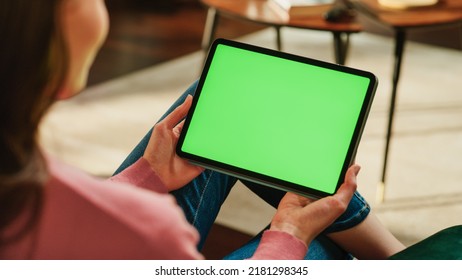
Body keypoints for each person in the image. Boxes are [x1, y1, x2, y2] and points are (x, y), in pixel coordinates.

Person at [0, 0, 405, 259]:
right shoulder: (144, 232)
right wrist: (288, 236)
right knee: (326, 248)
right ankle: (404, 261)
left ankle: (396, 254)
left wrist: (147, 176)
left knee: (211, 105)